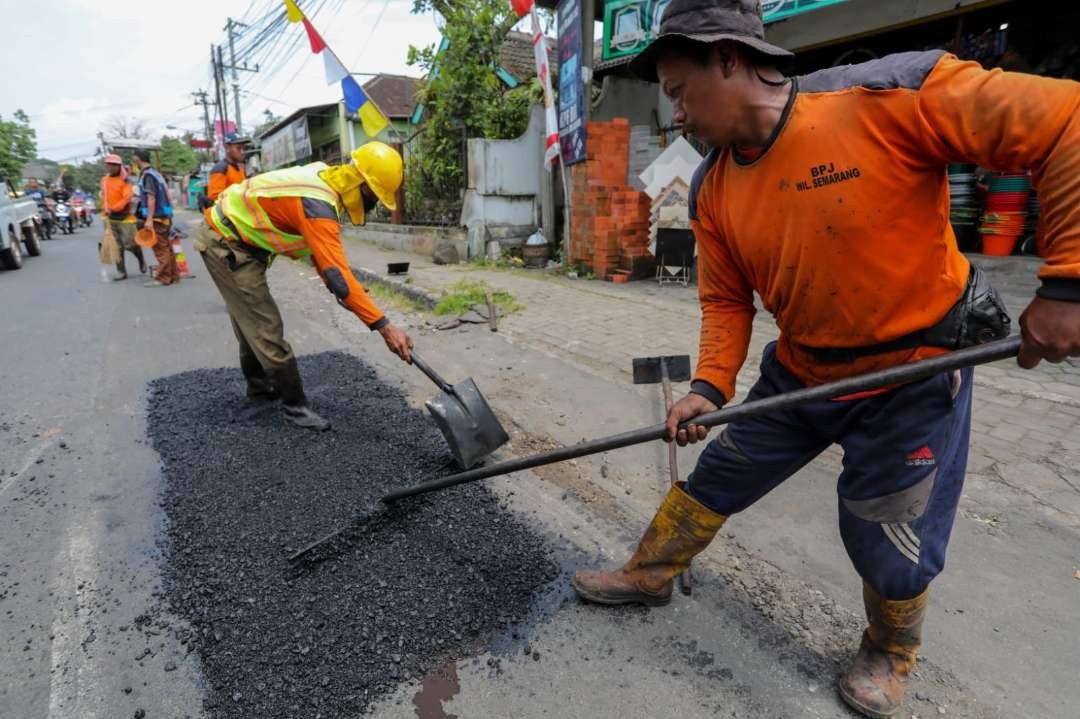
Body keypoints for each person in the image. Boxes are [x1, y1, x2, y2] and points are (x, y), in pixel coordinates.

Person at [570, 1, 1080, 718]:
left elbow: (1067, 122)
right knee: (718, 474)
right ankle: (649, 572)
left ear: (728, 57)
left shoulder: (888, 96)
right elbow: (726, 303)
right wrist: (711, 387)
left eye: (680, 93)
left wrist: (1067, 283)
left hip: (913, 372)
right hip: (804, 369)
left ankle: (890, 651)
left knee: (885, 535)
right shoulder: (713, 188)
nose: (676, 115)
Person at [193, 141, 414, 431]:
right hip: (227, 244)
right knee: (265, 327)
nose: (373, 205)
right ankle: (294, 406)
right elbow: (337, 275)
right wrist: (385, 327)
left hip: (239, 240)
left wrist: (349, 292)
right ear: (359, 183)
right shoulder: (318, 205)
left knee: (251, 322)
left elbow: (327, 266)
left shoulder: (323, 178)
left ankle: (260, 391)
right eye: (373, 196)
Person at [131, 148, 179, 287]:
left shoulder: (148, 176)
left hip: (157, 217)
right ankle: (173, 275)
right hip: (165, 216)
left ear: (137, 159)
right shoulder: (156, 174)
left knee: (160, 248)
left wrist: (149, 219)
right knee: (166, 247)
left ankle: (163, 278)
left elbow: (151, 198)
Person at [100, 154, 146, 278]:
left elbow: (127, 197)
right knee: (116, 246)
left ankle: (141, 259)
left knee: (131, 244)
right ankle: (121, 271)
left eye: (113, 165)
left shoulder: (126, 180)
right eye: (108, 164)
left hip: (125, 218)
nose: (110, 167)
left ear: (119, 166)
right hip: (110, 218)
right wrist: (106, 209)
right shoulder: (104, 180)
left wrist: (114, 208)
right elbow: (104, 196)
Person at [207, 132, 249, 203]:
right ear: (227, 147)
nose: (242, 152)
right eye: (238, 148)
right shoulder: (220, 169)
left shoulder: (239, 168)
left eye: (244, 148)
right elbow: (215, 198)